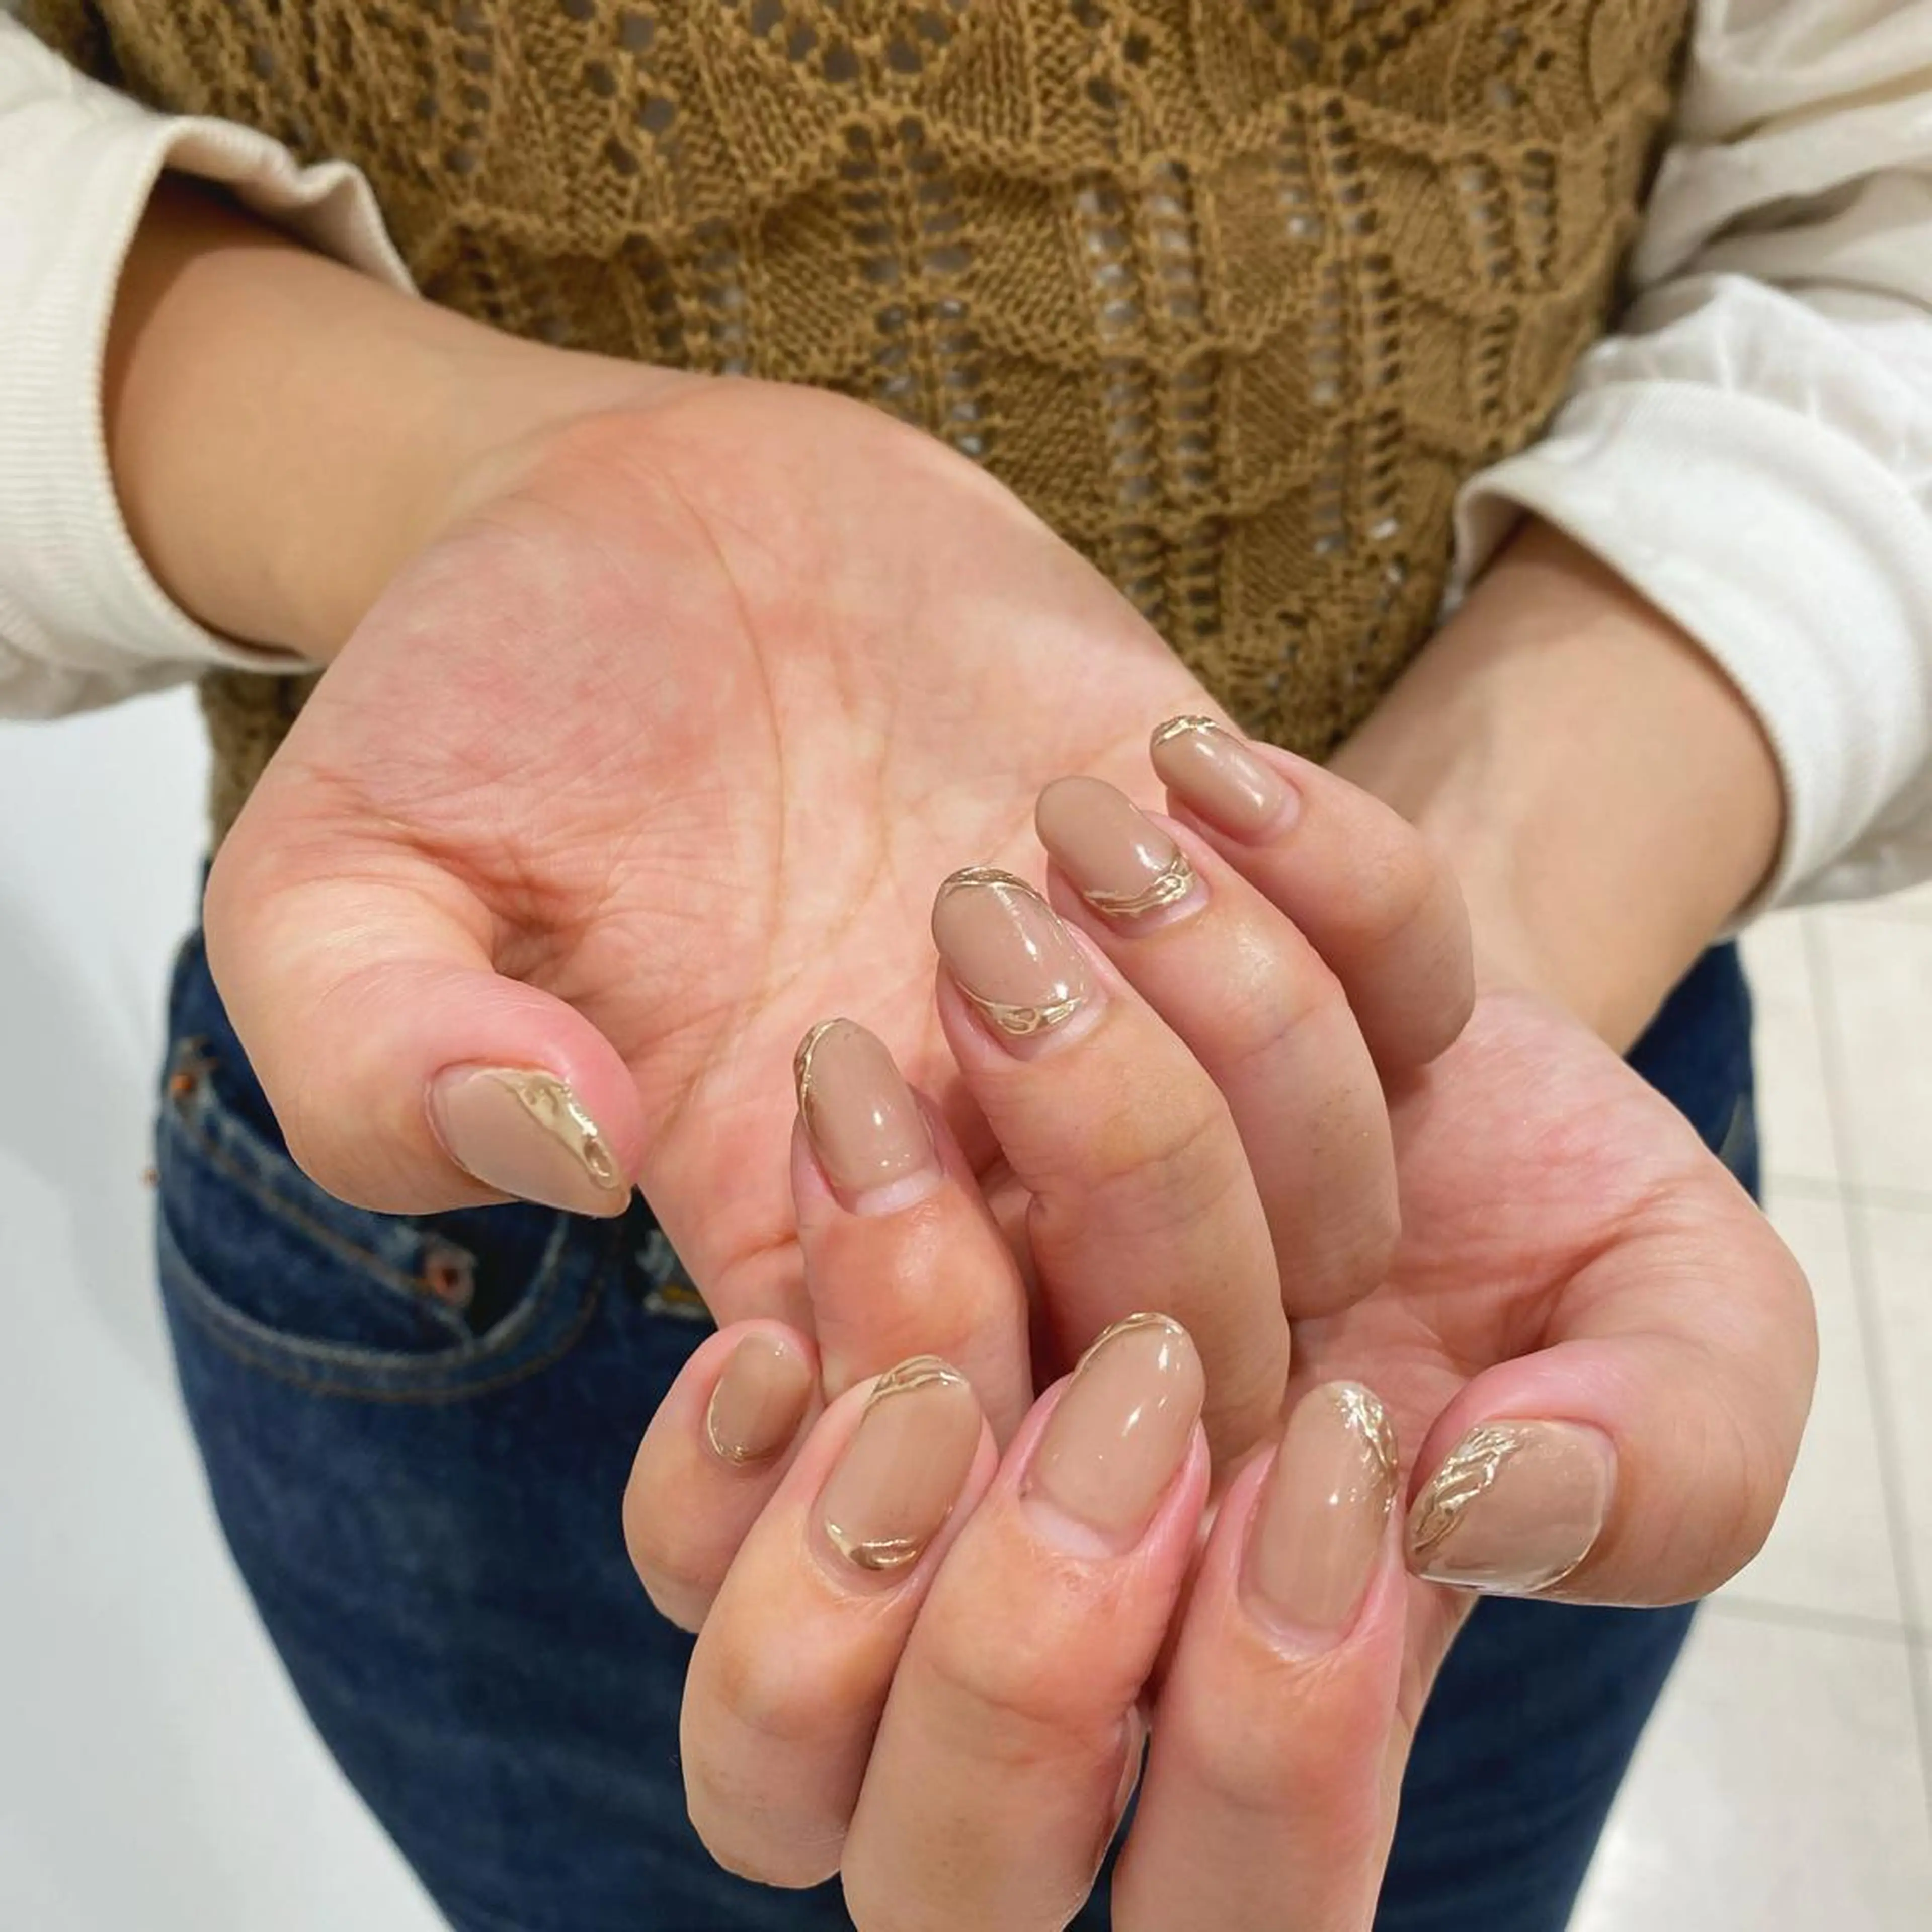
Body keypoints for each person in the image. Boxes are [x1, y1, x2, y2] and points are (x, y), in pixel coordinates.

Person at [1, 3, 1927, 1926]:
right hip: (486, 1272)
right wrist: (490, 473)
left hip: (1481, 1210)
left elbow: (1887, 217)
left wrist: (1414, 988)